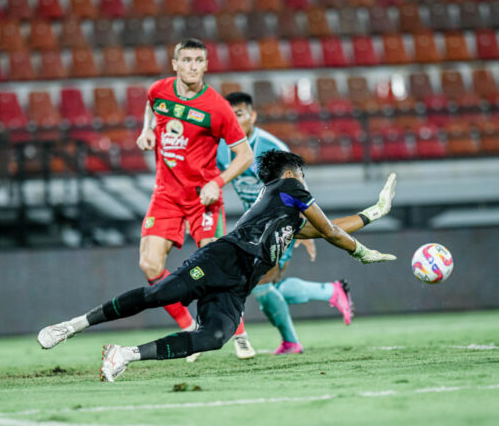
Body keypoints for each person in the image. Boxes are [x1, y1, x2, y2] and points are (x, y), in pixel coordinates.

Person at [37, 150, 398, 382]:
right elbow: (332, 231)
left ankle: (125, 355)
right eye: (303, 175)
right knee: (161, 294)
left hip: (240, 282)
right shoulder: (290, 185)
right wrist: (361, 252)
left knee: (214, 337)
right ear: (294, 171)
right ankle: (72, 326)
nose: (305, 181)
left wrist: (373, 213)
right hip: (223, 258)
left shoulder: (284, 208)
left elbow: (327, 230)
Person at [218, 92, 388, 355]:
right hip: (257, 228)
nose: (235, 120)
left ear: (252, 116)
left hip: (283, 222)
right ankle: (329, 293)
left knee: (260, 284)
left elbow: (300, 190)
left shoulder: (271, 148)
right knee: (264, 287)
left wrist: (307, 231)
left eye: (239, 114)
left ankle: (293, 340)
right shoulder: (222, 148)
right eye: (230, 115)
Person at [134, 38, 254, 352]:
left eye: (198, 61)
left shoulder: (217, 107)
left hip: (204, 197)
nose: (192, 66)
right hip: (166, 195)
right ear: (175, 64)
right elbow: (151, 106)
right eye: (186, 60)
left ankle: (238, 333)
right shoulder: (158, 90)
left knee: (215, 269)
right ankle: (188, 326)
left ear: (206, 65)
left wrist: (219, 181)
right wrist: (147, 130)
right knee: (149, 265)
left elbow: (245, 156)